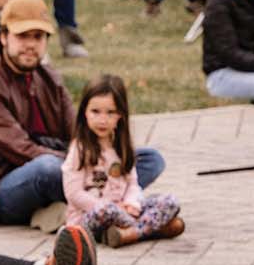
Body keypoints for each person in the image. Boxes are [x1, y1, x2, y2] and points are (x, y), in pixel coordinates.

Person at [0, 0, 166, 226]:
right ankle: (99, 204)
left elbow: (78, 130)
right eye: (22, 36)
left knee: (149, 158)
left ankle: (86, 206)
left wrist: (101, 157)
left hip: (71, 171)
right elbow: (20, 149)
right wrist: (87, 164)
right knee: (48, 168)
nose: (30, 45)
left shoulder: (48, 76)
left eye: (38, 37)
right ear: (4, 37)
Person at [63, 74, 183, 247]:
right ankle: (148, 230)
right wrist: (111, 208)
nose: (102, 120)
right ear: (84, 112)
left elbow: (133, 184)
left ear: (121, 114)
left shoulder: (122, 146)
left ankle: (128, 233)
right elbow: (74, 194)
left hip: (124, 213)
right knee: (107, 210)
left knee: (170, 201)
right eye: (95, 112)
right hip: (91, 217)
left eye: (110, 112)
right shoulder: (80, 148)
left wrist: (131, 203)